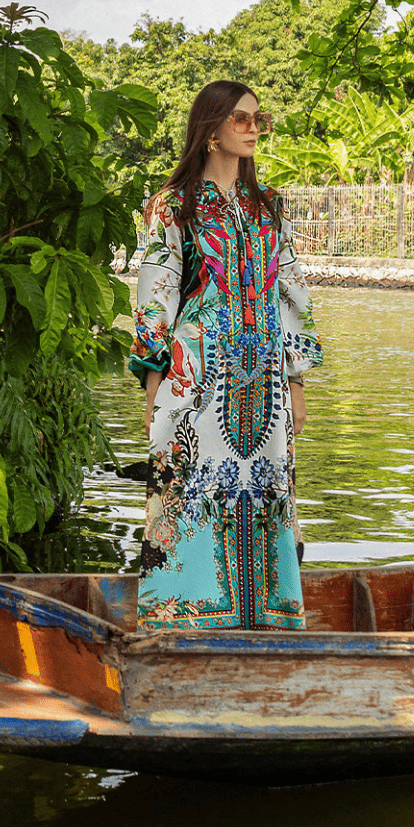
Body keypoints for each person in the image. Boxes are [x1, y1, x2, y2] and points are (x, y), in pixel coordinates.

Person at [129, 80, 322, 631]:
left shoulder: (268, 207)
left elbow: (292, 296)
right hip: (196, 375)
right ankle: (183, 617)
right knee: (189, 487)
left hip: (263, 377)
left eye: (260, 120)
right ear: (210, 129)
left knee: (269, 486)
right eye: (242, 120)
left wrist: (296, 383)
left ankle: (266, 619)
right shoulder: (174, 206)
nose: (254, 129)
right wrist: (153, 389)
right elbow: (155, 295)